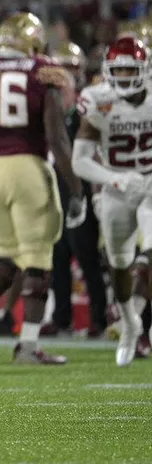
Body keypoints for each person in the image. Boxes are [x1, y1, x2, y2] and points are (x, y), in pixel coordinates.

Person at [0, 12, 85, 366]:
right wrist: (76, 189)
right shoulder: (41, 69)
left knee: (5, 252)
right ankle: (28, 346)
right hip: (26, 166)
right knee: (36, 257)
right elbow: (56, 137)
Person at [72, 36, 152, 367]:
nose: (122, 78)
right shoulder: (98, 101)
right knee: (119, 262)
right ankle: (130, 323)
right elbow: (80, 160)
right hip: (117, 186)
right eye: (117, 72)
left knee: (149, 251)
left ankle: (141, 314)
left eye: (129, 71)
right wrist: (114, 179)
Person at [44, 41, 107, 338]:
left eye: (70, 68)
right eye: (61, 68)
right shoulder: (48, 104)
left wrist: (92, 193)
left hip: (79, 188)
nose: (64, 75)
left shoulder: (84, 106)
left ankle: (98, 318)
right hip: (56, 188)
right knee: (57, 258)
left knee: (86, 257)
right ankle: (61, 317)